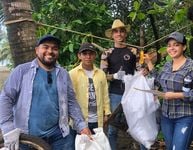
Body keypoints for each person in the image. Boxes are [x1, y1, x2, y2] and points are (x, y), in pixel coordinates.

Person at [0, 35, 91, 150]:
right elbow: (6, 98)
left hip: (59, 136)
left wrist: (82, 125)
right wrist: (8, 128)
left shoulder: (63, 74)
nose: (50, 51)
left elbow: (71, 101)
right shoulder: (22, 71)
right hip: (27, 137)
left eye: (54, 48)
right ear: (37, 50)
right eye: (45, 47)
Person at [144, 31, 193, 149]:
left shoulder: (191, 66)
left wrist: (175, 95)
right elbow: (160, 81)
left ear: (184, 47)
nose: (172, 48)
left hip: (185, 116)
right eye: (169, 45)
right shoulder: (167, 65)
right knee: (170, 147)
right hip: (166, 116)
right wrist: (149, 64)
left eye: (176, 45)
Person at [100, 19, 138, 150]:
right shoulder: (107, 53)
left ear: (125, 34)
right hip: (115, 93)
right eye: (116, 31)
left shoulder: (133, 52)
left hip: (132, 93)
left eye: (122, 31)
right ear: (112, 35)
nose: (119, 34)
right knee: (112, 128)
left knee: (136, 125)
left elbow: (140, 71)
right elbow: (101, 77)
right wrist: (114, 76)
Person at [69, 42, 111, 134]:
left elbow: (105, 95)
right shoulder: (72, 74)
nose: (88, 56)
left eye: (91, 53)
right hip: (80, 120)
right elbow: (70, 98)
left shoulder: (101, 74)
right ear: (79, 56)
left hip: (97, 119)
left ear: (95, 56)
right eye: (85, 54)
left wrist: (106, 113)